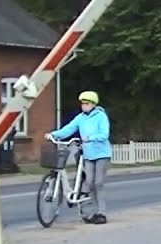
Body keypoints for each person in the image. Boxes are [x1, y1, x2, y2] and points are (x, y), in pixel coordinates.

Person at [46, 90, 112, 224]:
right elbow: (68, 129)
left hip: (101, 154)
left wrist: (90, 138)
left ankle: (102, 213)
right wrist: (53, 134)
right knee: (89, 182)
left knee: (97, 183)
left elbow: (104, 134)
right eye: (82, 103)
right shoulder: (81, 118)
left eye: (87, 103)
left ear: (93, 104)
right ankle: (91, 212)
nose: (84, 106)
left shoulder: (100, 116)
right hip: (88, 154)